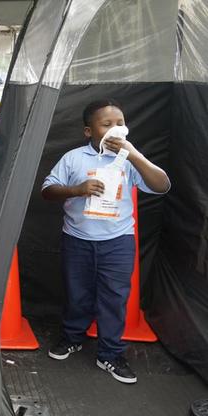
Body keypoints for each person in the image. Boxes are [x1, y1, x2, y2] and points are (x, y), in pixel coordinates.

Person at [42, 99, 170, 384]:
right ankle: (73, 337)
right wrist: (77, 189)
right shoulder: (74, 158)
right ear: (89, 131)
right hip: (77, 240)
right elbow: (47, 190)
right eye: (107, 124)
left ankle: (110, 354)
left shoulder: (129, 160)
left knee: (114, 299)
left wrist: (134, 153)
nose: (116, 129)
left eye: (121, 123)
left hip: (118, 241)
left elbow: (161, 185)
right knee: (78, 292)